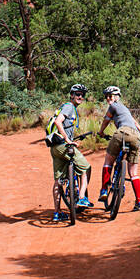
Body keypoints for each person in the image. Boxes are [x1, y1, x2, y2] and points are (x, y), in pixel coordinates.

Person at [96, 85, 140, 211]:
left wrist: (101, 132)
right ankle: (139, 202)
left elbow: (106, 120)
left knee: (108, 161)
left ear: (116, 97)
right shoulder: (125, 109)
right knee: (133, 173)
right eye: (106, 97)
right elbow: (135, 123)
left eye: (110, 96)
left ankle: (104, 189)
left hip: (122, 132)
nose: (108, 99)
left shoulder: (113, 106)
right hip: (135, 136)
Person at [46, 83, 93, 222]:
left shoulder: (67, 107)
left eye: (82, 95)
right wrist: (67, 139)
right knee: (86, 167)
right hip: (63, 144)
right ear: (71, 95)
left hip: (54, 147)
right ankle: (82, 198)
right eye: (77, 94)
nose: (80, 97)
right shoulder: (69, 107)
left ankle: (57, 212)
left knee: (58, 180)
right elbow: (58, 122)